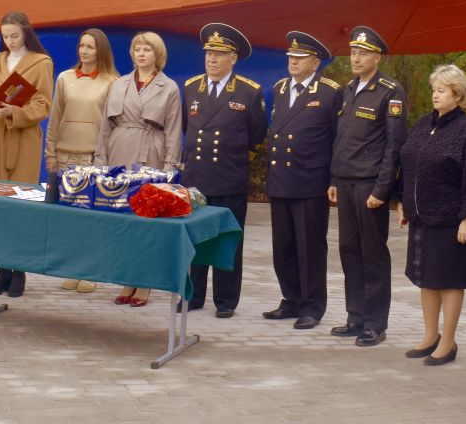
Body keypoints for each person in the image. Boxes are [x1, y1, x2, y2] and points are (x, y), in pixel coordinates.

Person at [398, 64, 466, 366]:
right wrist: (404, 203)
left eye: (442, 90)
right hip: (423, 217)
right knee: (426, 278)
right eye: (434, 89)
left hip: (453, 221)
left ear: (458, 95)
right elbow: (409, 163)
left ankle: (448, 342)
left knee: (449, 281)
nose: (435, 95)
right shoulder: (425, 124)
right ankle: (430, 335)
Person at [328, 26, 407, 347]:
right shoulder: (347, 89)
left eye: (362, 53)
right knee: (349, 251)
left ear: (376, 56)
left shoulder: (390, 91)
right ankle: (355, 317)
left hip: (369, 187)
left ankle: (375, 323)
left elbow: (394, 146)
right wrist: (334, 179)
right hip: (345, 182)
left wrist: (382, 190)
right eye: (353, 53)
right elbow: (342, 139)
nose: (356, 58)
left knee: (372, 254)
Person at [181, 23, 267, 318]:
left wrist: (235, 161)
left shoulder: (248, 92)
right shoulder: (192, 87)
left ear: (233, 58)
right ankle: (193, 295)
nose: (212, 59)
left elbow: (257, 136)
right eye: (208, 53)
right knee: (194, 238)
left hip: (229, 178)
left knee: (227, 238)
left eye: (219, 54)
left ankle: (226, 300)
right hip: (197, 177)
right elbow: (185, 128)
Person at [262, 31, 343, 330]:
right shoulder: (281, 89)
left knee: (310, 247)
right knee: (283, 246)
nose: (293, 62)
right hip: (282, 179)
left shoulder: (330, 93)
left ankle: (312, 305)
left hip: (311, 181)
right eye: (290, 58)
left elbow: (338, 140)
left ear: (316, 62)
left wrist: (334, 178)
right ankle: (291, 299)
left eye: (299, 58)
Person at [96, 30, 182, 307]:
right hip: (120, 151)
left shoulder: (169, 87)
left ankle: (145, 282)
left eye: (147, 49)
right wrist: (100, 162)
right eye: (137, 49)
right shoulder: (119, 84)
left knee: (147, 221)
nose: (141, 54)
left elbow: (173, 130)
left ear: (158, 55)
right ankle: (127, 278)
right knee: (123, 221)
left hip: (151, 155)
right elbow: (105, 126)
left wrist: (170, 168)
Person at [0, 11, 55, 298]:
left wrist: (16, 112)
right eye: (5, 36)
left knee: (21, 205)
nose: (9, 41)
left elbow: (43, 105)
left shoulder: (41, 62)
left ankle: (19, 270)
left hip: (23, 138)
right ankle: (2, 271)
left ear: (26, 33)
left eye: (14, 35)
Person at [45, 27, 118, 293]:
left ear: (101, 50)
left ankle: (91, 271)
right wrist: (50, 153)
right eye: (81, 46)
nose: (84, 51)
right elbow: (55, 118)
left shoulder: (112, 81)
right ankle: (73, 268)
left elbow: (113, 125)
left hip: (92, 158)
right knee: (69, 219)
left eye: (90, 46)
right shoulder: (64, 78)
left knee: (91, 218)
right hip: (64, 156)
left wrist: (105, 159)